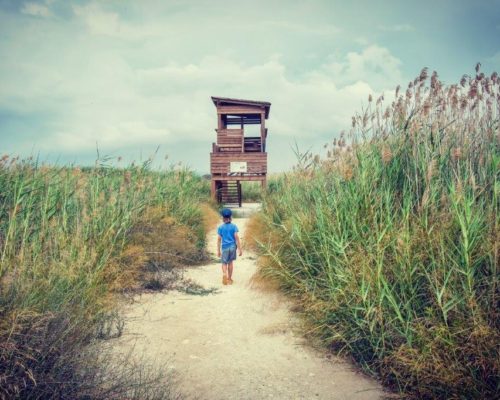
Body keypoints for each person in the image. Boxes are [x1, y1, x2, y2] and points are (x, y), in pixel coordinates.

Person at [217, 208, 242, 285]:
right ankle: (229, 279)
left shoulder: (221, 227)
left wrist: (218, 250)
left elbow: (219, 239)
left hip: (224, 247)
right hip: (232, 247)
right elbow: (236, 237)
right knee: (230, 262)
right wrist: (240, 249)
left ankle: (224, 274)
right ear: (230, 217)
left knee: (224, 262)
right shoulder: (234, 226)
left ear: (223, 218)